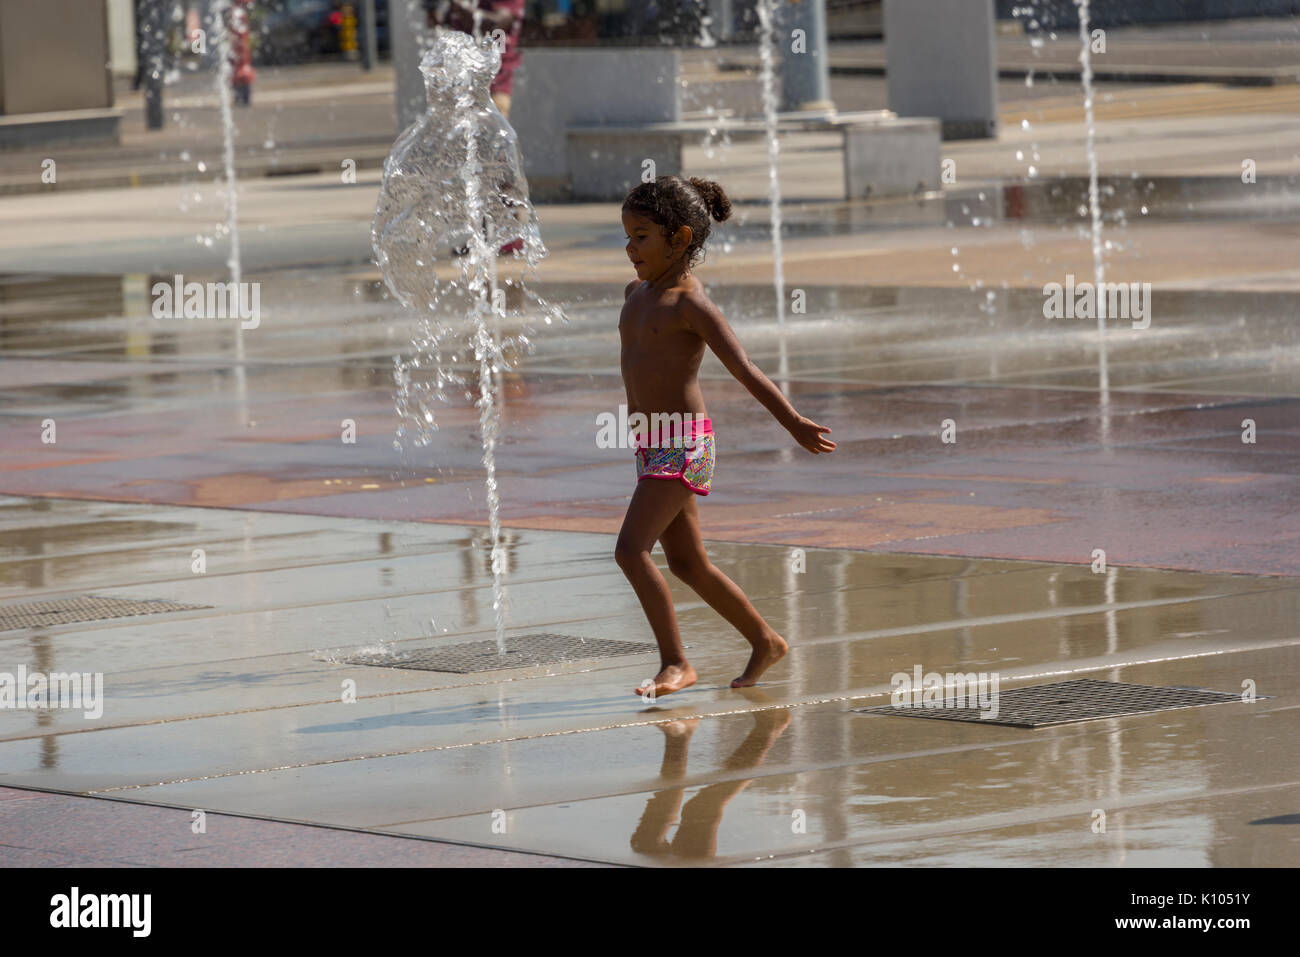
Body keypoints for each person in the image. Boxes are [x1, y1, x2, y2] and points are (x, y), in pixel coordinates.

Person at [617, 175, 835, 699]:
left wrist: (793, 422)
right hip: (651, 442)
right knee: (688, 562)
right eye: (626, 236)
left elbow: (744, 368)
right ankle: (765, 640)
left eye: (641, 236)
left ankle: (676, 662)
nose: (630, 248)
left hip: (684, 443)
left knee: (630, 551)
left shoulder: (690, 305)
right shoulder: (636, 293)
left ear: (681, 239)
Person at [428, 0, 525, 119]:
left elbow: (497, 22)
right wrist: (431, 9)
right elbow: (439, 24)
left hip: (494, 83)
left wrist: (460, 6)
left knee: (491, 132)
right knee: (453, 132)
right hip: (458, 81)